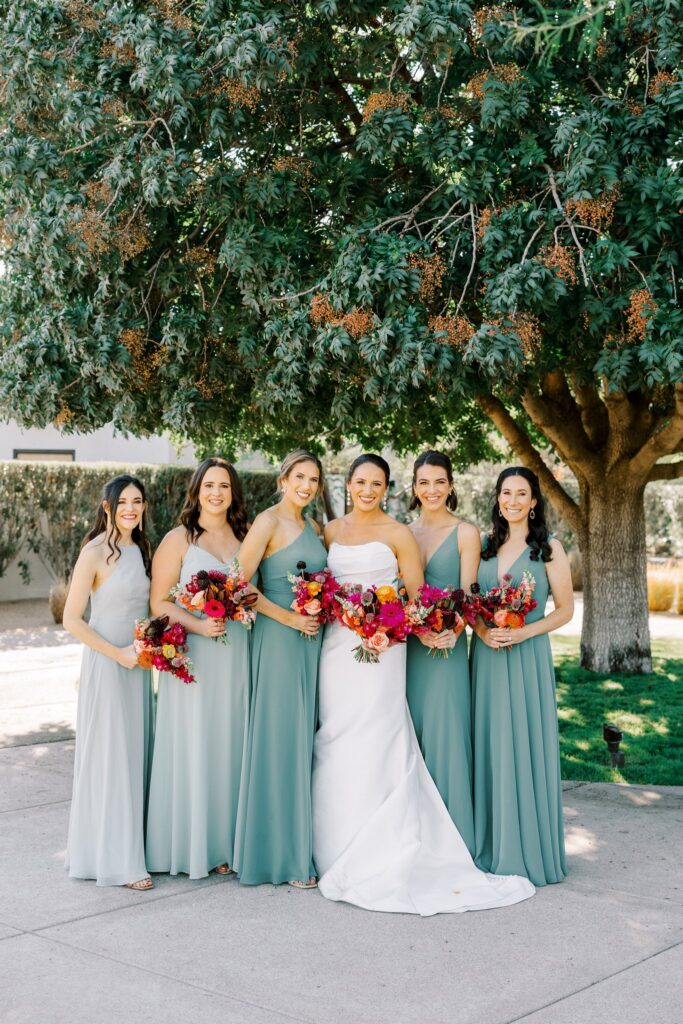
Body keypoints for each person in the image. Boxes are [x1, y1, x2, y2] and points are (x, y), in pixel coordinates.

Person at [312, 453, 535, 915]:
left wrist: (432, 628)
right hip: (339, 648)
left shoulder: (400, 534)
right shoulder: (332, 531)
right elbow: (326, 589)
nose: (368, 489)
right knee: (336, 736)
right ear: (348, 484)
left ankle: (410, 838)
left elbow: (419, 595)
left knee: (384, 734)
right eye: (360, 482)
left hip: (392, 645)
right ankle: (333, 838)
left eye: (377, 483)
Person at [145, 458, 250, 879]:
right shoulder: (179, 539)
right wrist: (199, 624)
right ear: (197, 490)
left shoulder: (246, 535)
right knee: (195, 740)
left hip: (238, 652)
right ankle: (191, 845)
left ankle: (226, 844)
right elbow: (159, 603)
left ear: (233, 493)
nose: (216, 493)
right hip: (196, 655)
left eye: (224, 486)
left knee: (231, 740)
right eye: (209, 485)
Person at [471, 466, 573, 886]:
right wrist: (483, 631)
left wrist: (522, 632)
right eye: (505, 493)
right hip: (487, 658)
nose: (512, 500)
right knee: (490, 744)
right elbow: (471, 602)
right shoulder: (483, 547)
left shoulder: (550, 548)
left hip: (527, 657)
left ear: (534, 502)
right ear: (497, 498)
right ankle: (491, 842)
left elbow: (565, 610)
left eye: (522, 494)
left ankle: (529, 845)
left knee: (524, 744)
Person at [233, 450, 327, 888]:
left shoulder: (314, 527)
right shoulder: (267, 522)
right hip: (278, 641)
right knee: (280, 740)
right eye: (300, 477)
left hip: (312, 643)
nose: (307, 485)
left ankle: (304, 844)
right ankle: (282, 857)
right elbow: (238, 583)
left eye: (314, 479)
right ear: (283, 479)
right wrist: (289, 617)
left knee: (305, 740)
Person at [64, 474, 154, 890]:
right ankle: (118, 864)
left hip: (140, 665)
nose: (131, 509)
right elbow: (71, 619)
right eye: (123, 503)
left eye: (137, 501)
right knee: (112, 758)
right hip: (108, 661)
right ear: (107, 508)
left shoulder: (143, 550)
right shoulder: (95, 552)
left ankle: (133, 847)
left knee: (135, 756)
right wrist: (116, 653)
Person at [406, 450, 480, 852]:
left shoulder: (466, 533)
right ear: (414, 487)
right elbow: (398, 595)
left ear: (450, 485)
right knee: (409, 736)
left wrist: (454, 630)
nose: (431, 490)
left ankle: (452, 842)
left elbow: (469, 596)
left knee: (446, 734)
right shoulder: (404, 532)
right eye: (424, 482)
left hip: (449, 649)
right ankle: (413, 837)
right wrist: (418, 632)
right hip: (412, 651)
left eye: (439, 482)